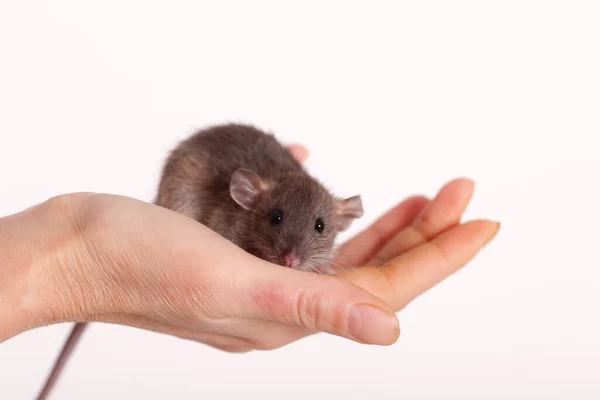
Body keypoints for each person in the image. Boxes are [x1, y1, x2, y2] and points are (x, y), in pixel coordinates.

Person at [0, 145, 499, 350]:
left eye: (321, 230)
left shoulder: (312, 219)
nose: (292, 252)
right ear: (250, 198)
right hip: (209, 166)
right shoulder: (240, 207)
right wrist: (80, 252)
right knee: (195, 175)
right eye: (277, 221)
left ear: (341, 221)